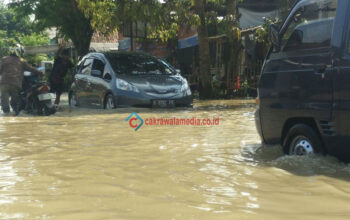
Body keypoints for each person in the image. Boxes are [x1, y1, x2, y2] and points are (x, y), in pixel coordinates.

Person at [0, 44, 43, 115]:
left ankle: (6, 113)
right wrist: (40, 72)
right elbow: (31, 69)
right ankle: (15, 112)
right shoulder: (21, 61)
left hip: (4, 83)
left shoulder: (4, 59)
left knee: (4, 100)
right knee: (15, 102)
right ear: (20, 52)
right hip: (15, 83)